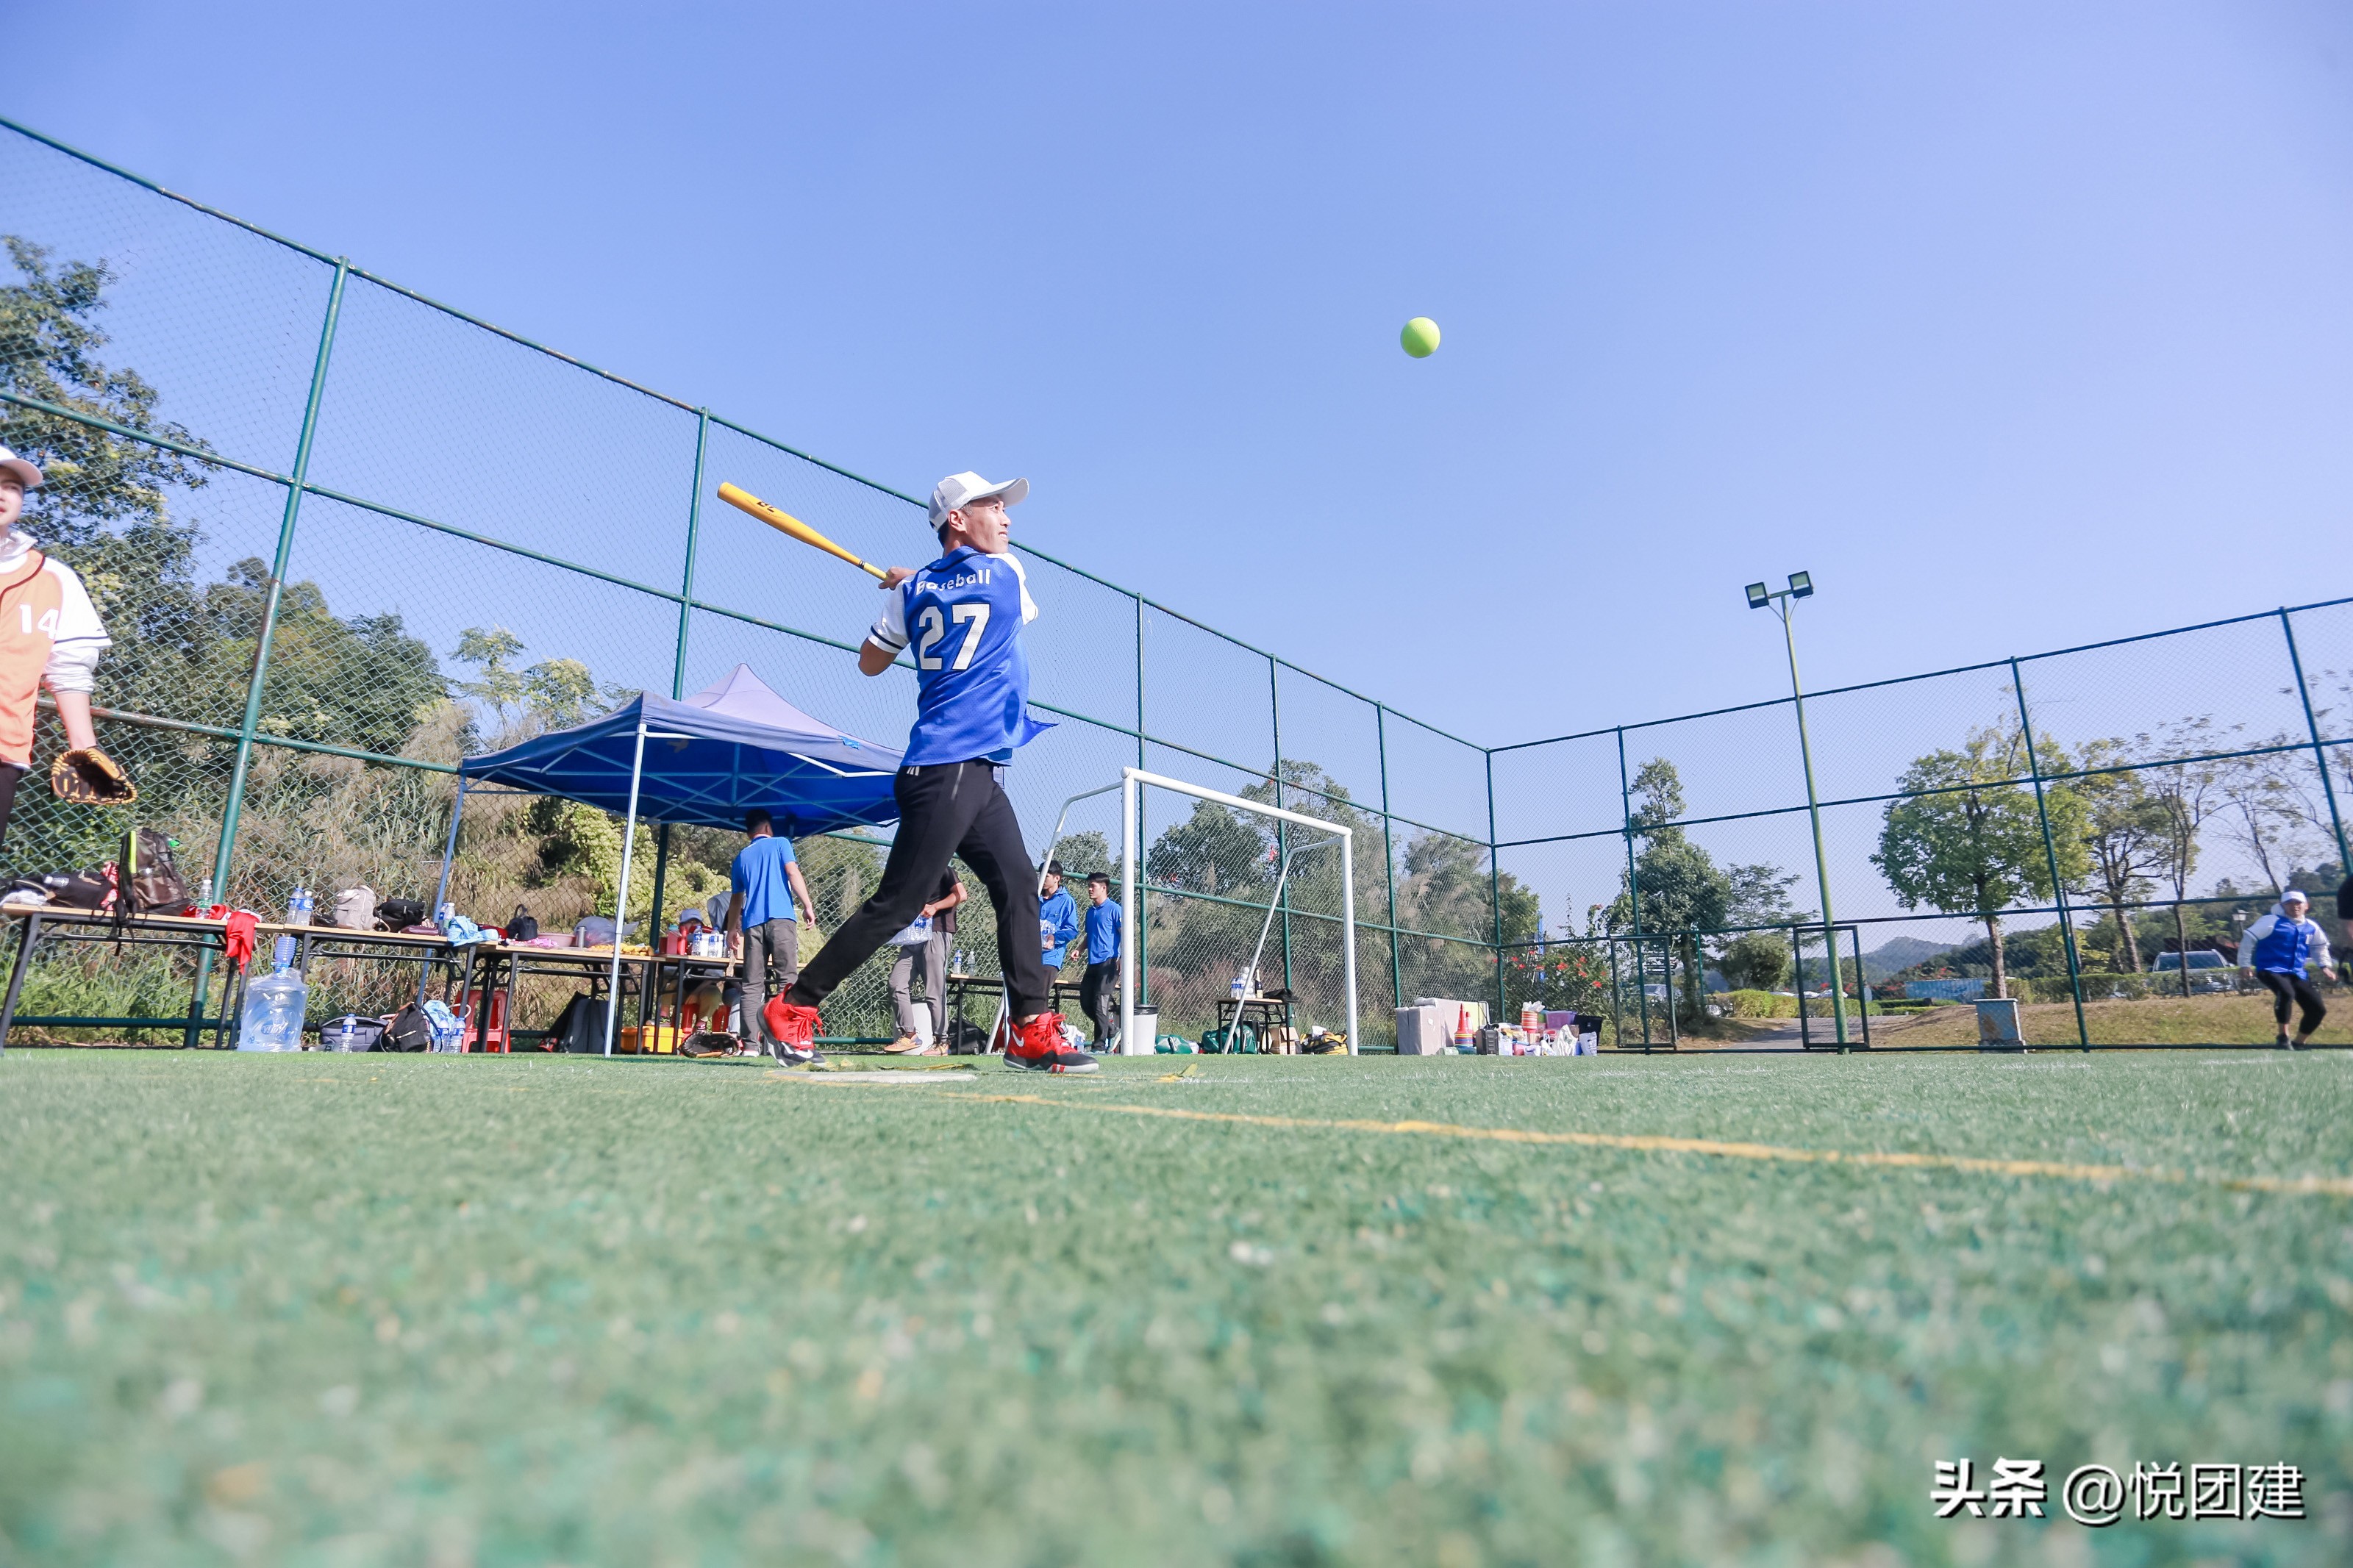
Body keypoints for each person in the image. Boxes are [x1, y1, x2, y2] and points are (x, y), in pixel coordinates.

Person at [763, 471, 1096, 1072]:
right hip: (947, 770)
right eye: (993, 506)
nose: (1007, 516)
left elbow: (870, 663)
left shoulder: (912, 591)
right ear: (958, 520)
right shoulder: (1007, 572)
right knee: (897, 903)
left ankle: (1027, 1029)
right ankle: (794, 1005)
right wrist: (919, 585)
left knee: (1019, 883)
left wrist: (911, 592)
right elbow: (983, 600)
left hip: (973, 771)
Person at [0, 448, 113, 844]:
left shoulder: (53, 577)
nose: (2, 494)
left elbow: (69, 669)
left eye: (11, 486)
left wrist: (86, 750)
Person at [723, 809, 817, 1059]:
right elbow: (793, 873)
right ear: (768, 829)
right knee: (788, 980)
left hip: (752, 925)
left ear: (749, 832)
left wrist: (732, 930)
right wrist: (807, 905)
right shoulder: (781, 844)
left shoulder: (741, 857)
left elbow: (736, 900)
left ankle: (750, 1047)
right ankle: (792, 1042)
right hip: (781, 920)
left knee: (752, 986)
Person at [883, 867, 965, 1054]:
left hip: (936, 932)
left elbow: (961, 895)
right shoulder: (912, 871)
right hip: (913, 934)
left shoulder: (944, 870)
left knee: (934, 991)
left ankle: (941, 1042)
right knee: (897, 983)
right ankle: (909, 1035)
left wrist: (935, 907)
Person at [2240, 889, 2332, 1048]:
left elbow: (2320, 947)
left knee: (2318, 1009)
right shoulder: (2270, 921)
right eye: (2289, 903)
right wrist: (2245, 964)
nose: (2294, 907)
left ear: (2306, 906)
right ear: (2282, 906)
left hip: (2297, 973)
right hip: (2270, 969)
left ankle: (2299, 1043)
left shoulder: (2311, 926)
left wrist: (2325, 966)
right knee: (2286, 993)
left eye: (2298, 903)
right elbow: (2248, 940)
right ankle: (2283, 1036)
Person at [1079, 871, 1122, 1047]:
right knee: (1086, 1003)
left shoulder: (1115, 909)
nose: (1090, 889)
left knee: (1100, 1003)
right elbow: (1090, 935)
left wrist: (1122, 958)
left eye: (1093, 886)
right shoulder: (1091, 912)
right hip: (1093, 964)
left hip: (1110, 963)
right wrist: (1079, 949)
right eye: (1089, 886)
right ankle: (1113, 1031)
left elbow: (1125, 934)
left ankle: (1099, 1045)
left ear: (1104, 888)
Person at [1038, 859, 1078, 974]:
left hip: (1050, 958)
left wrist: (1055, 937)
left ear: (1057, 878)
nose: (1042, 878)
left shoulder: (1066, 901)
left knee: (1039, 991)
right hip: (1029, 956)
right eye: (1041, 875)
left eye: (1046, 876)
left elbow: (1071, 930)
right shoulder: (1034, 898)